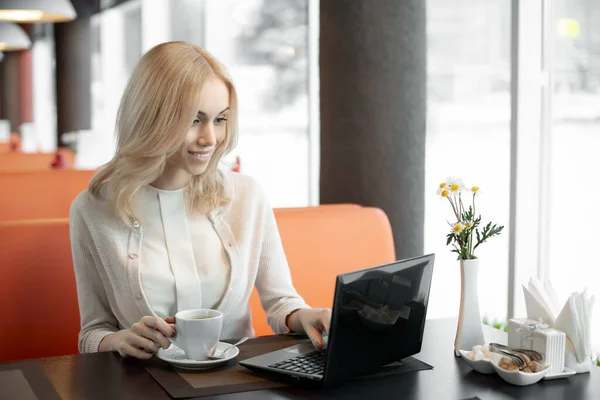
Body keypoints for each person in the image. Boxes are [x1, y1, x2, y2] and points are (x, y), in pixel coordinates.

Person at [69, 41, 331, 360]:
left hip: (236, 382)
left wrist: (303, 316)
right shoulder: (92, 210)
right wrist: (119, 341)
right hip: (145, 383)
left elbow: (281, 305)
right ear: (152, 119)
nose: (211, 138)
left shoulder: (247, 197)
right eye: (194, 120)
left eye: (219, 119)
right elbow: (92, 333)